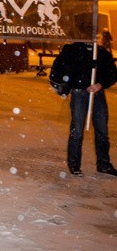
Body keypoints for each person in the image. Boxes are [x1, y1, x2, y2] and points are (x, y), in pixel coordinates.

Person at [49, 25, 117, 177]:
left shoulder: (101, 54)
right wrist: (66, 87)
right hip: (80, 94)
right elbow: (60, 69)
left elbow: (113, 73)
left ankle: (104, 163)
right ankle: (74, 164)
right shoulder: (72, 51)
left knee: (102, 130)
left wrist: (100, 84)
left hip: (98, 96)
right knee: (77, 130)